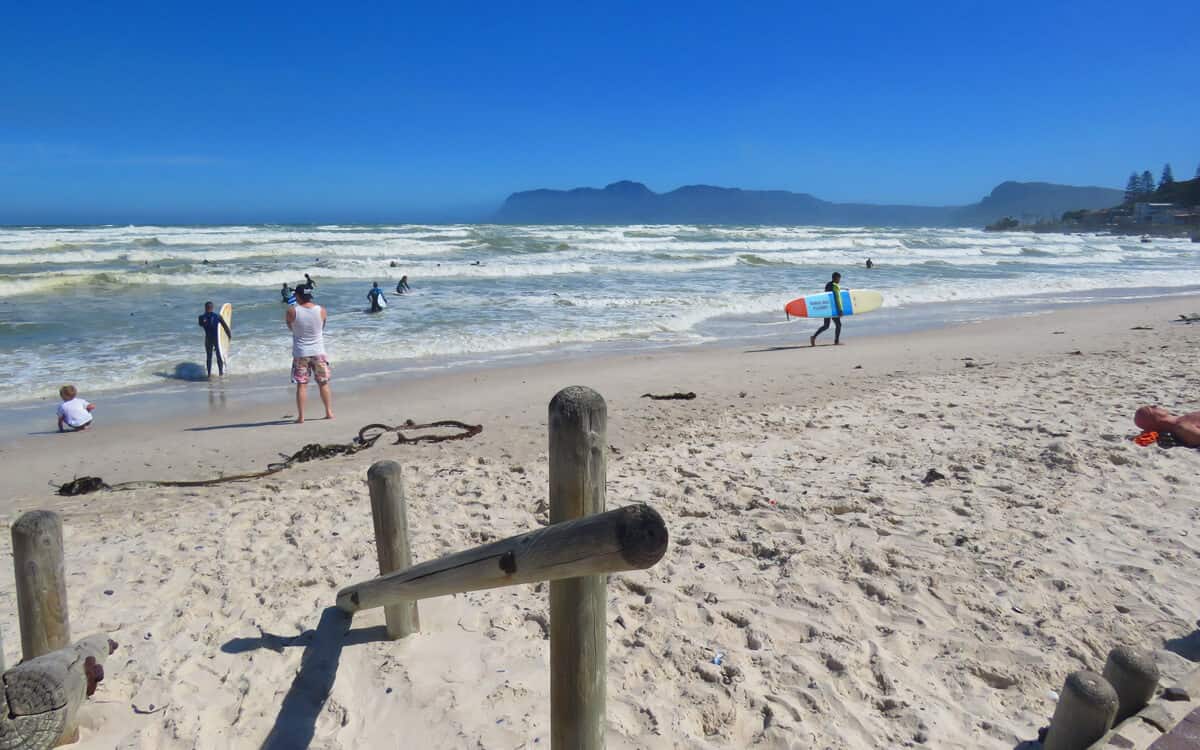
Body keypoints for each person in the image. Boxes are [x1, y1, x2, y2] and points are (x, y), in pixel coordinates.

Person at [286, 286, 333, 423]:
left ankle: (301, 417)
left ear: (298, 296)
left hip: (301, 352)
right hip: (318, 351)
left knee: (302, 385)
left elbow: (291, 328)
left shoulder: (292, 311)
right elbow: (322, 328)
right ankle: (329, 412)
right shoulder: (322, 310)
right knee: (323, 383)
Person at [1134, 406, 1200, 447]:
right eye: (1152, 408)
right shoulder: (1182, 428)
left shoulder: (1180, 421)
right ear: (1155, 419)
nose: (1155, 406)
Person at [198, 301, 232, 377]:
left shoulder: (201, 317)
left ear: (205, 308)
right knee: (219, 356)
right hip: (217, 339)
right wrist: (229, 337)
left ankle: (209, 374)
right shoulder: (218, 316)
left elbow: (201, 324)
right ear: (212, 308)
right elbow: (226, 328)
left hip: (208, 339)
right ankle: (221, 373)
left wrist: (205, 319)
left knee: (209, 357)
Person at [810, 272, 844, 346]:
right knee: (838, 324)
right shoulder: (835, 285)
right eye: (839, 278)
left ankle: (813, 337)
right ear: (835, 278)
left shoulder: (828, 284)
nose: (839, 280)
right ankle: (836, 341)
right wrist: (840, 309)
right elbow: (837, 298)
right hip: (833, 308)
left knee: (826, 325)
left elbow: (826, 296)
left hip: (827, 307)